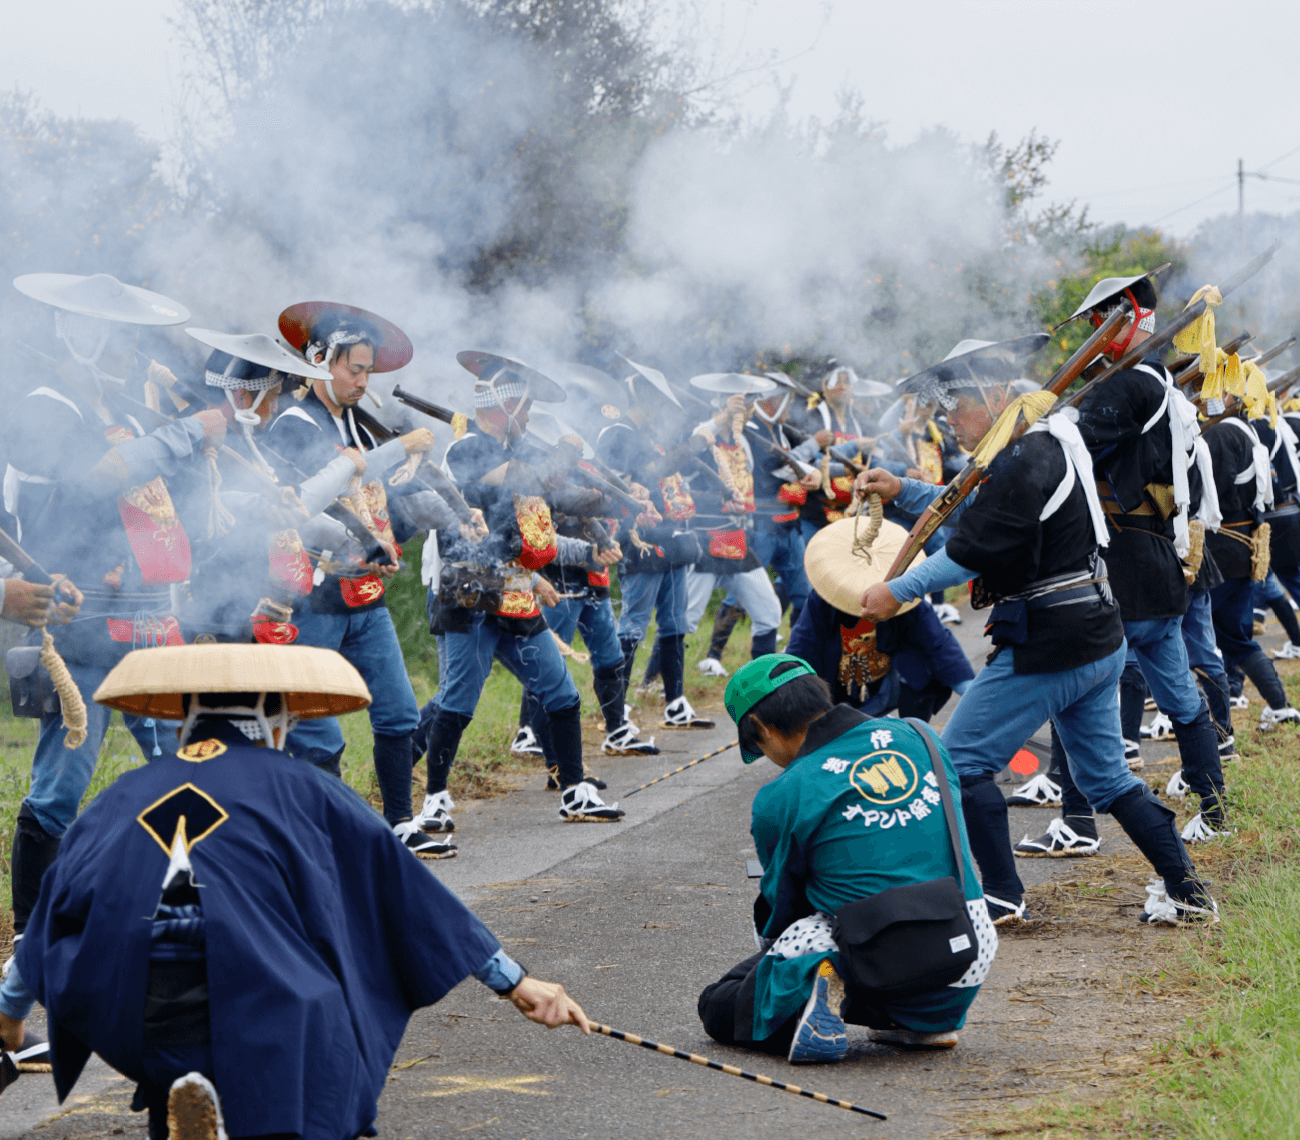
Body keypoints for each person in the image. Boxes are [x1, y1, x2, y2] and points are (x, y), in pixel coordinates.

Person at [0, 643, 592, 1140]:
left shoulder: (123, 795)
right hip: (263, 996)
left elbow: (53, 911)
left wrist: (7, 1015)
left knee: (177, 1054)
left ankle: (186, 1090)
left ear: (185, 720)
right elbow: (408, 895)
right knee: (318, 1031)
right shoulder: (303, 787)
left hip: (132, 1005)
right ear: (275, 721)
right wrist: (516, 983)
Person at [858, 328, 1218, 927]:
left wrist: (892, 591)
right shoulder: (1044, 443)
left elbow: (969, 553)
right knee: (1108, 779)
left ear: (995, 393)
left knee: (961, 764)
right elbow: (976, 510)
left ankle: (1000, 895)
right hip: (1095, 633)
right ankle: (1186, 887)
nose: (947, 420)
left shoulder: (1027, 454)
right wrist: (903, 492)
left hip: (1053, 639)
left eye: (955, 406)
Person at [4, 271, 226, 942]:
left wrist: (189, 437)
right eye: (124, 343)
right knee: (58, 794)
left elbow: (159, 507)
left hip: (149, 623)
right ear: (88, 339)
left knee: (184, 773)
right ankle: (31, 942)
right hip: (83, 630)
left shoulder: (127, 412)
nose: (135, 355)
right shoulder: (47, 406)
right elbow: (93, 481)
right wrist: (185, 433)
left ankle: (183, 918)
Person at [697, 654, 996, 1062]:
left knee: (720, 1001)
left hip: (879, 957)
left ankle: (812, 994)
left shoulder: (782, 794)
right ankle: (926, 1023)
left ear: (761, 729)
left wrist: (770, 962)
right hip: (966, 947)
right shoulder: (921, 736)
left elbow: (782, 910)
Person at [268, 300, 452, 854]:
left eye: (369, 369)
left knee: (396, 710)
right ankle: (330, 837)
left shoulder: (357, 422)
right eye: (355, 368)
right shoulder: (295, 424)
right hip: (316, 597)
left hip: (365, 596)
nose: (363, 380)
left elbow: (376, 498)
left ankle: (398, 821)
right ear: (321, 361)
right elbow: (313, 505)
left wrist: (410, 522)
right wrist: (399, 449)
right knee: (317, 729)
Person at [418, 353, 625, 827]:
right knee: (457, 700)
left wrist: (608, 497)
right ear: (506, 406)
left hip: (510, 584)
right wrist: (566, 456)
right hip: (469, 586)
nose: (530, 416)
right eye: (526, 407)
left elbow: (551, 497)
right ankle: (433, 801)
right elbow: (518, 482)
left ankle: (574, 789)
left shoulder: (519, 451)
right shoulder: (466, 449)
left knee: (560, 691)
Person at [596, 355, 714, 729]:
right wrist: (693, 444)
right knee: (632, 625)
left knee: (674, 623)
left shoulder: (648, 436)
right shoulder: (617, 433)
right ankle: (619, 708)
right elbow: (648, 472)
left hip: (670, 538)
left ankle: (675, 701)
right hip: (638, 539)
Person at [787, 507, 973, 720]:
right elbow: (801, 650)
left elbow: (939, 644)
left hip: (886, 687)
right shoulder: (823, 600)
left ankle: (910, 730)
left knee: (921, 664)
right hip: (838, 695)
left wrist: (973, 695)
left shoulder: (901, 597)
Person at [696, 373, 821, 677]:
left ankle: (789, 662)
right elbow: (768, 473)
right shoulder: (737, 432)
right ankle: (708, 657)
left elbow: (792, 463)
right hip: (751, 528)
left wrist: (811, 472)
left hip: (781, 525)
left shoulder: (775, 432)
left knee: (792, 598)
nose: (787, 406)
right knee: (692, 615)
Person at [683, 375, 784, 673]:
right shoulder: (703, 433)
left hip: (738, 539)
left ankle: (762, 681)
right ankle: (655, 685)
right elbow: (684, 471)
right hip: (705, 539)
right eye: (743, 404)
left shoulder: (744, 442)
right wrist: (722, 417)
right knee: (684, 621)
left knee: (769, 613)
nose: (750, 409)